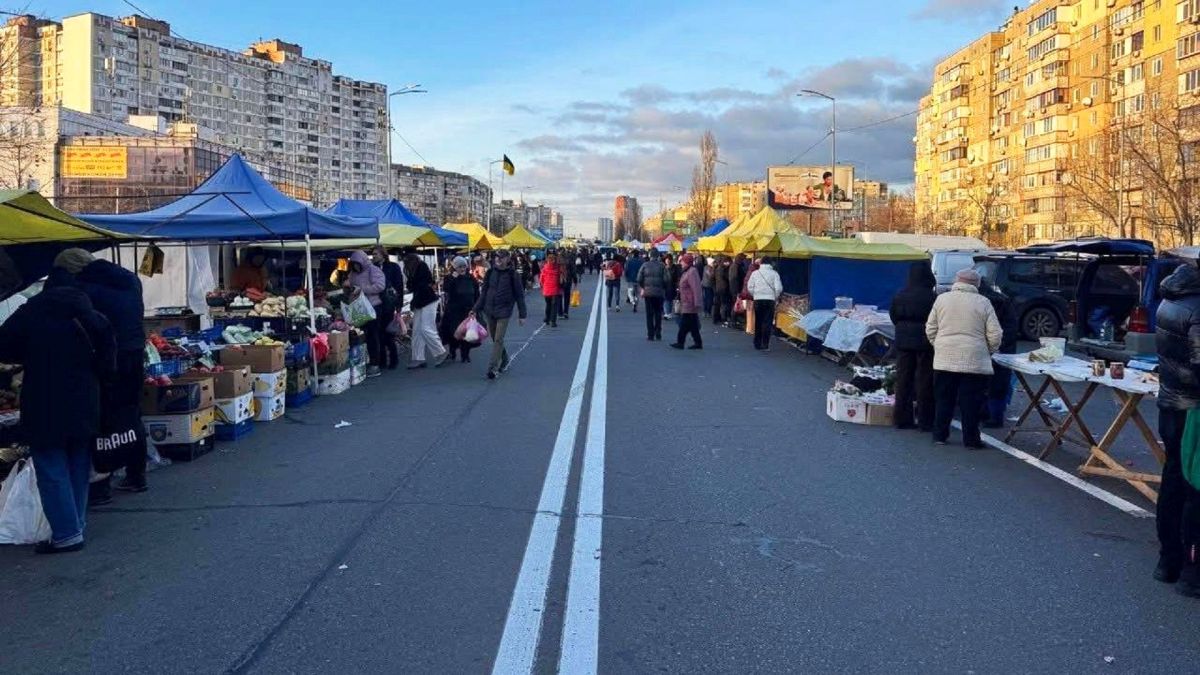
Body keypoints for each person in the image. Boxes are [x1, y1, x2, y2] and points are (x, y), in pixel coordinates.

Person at [0, 265, 115, 553]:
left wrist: (30, 356)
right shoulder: (92, 315)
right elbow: (110, 359)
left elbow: (3, 346)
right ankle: (75, 524)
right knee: (77, 463)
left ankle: (66, 533)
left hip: (44, 398)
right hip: (85, 398)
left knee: (51, 465)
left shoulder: (31, 313)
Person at [61, 250, 147, 502]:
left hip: (109, 359)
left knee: (104, 420)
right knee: (131, 415)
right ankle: (136, 474)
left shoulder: (87, 289)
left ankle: (101, 483)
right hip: (134, 354)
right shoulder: (130, 281)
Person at [1153, 262, 1200, 596]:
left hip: (1170, 402)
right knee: (1193, 487)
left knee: (1173, 479)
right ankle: (1189, 569)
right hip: (1193, 408)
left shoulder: (1171, 297)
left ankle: (1167, 560)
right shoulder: (1197, 306)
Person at [925, 268, 1002, 448]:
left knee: (944, 399)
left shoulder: (941, 300)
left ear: (956, 281)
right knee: (971, 402)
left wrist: (939, 345)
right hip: (974, 359)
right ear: (976, 284)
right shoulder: (984, 302)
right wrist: (988, 350)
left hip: (945, 358)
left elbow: (930, 328)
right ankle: (971, 440)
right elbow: (995, 333)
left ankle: (939, 435)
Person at [889, 262, 938, 432]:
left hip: (903, 341)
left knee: (903, 380)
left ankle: (901, 418)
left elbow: (893, 316)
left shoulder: (901, 294)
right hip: (926, 341)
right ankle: (925, 421)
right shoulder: (932, 297)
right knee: (925, 380)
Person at [473, 250, 528, 380]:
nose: (498, 259)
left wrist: (522, 314)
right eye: (497, 257)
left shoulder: (512, 275)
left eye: (501, 257)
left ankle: (493, 368)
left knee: (498, 339)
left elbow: (519, 295)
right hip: (489, 310)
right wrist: (475, 308)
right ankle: (504, 359)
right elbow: (484, 293)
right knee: (495, 339)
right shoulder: (490, 273)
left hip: (504, 311)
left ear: (507, 259)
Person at [979, 278, 1019, 428]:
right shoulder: (1003, 301)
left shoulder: (979, 303)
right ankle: (996, 416)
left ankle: (984, 412)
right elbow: (1011, 327)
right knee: (999, 383)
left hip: (983, 348)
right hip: (1004, 349)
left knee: (981, 382)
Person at [345, 250, 387, 377]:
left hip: (373, 307)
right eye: (353, 265)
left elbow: (380, 286)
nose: (356, 267)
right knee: (363, 336)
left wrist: (361, 289)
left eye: (357, 264)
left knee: (373, 336)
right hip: (360, 309)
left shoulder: (373, 270)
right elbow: (352, 289)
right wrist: (347, 289)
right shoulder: (352, 273)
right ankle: (367, 362)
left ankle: (376, 364)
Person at [404, 252, 448, 369]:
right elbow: (420, 285)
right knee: (418, 330)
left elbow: (417, 286)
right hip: (423, 301)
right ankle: (418, 358)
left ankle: (440, 352)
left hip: (427, 301)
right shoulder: (419, 267)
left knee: (425, 329)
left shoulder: (418, 269)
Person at [440, 256, 480, 363]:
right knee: (454, 333)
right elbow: (447, 289)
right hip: (454, 310)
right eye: (459, 267)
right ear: (455, 268)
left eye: (464, 266)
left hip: (468, 310)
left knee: (467, 333)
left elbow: (477, 292)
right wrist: (453, 278)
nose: (462, 269)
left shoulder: (471, 278)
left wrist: (477, 307)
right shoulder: (450, 278)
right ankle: (452, 351)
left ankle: (465, 355)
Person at [373, 246, 404, 371]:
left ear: (382, 254)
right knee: (379, 333)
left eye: (375, 254)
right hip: (376, 304)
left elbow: (399, 286)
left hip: (388, 304)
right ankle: (382, 360)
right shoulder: (372, 268)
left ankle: (393, 359)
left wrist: (399, 305)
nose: (373, 256)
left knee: (387, 333)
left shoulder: (393, 267)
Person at [746, 257, 784, 351]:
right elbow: (778, 288)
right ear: (771, 263)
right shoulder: (774, 273)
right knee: (767, 322)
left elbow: (750, 286)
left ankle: (757, 343)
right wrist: (774, 296)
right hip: (770, 300)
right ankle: (765, 344)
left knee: (758, 321)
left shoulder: (755, 273)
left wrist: (755, 294)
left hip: (758, 299)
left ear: (761, 263)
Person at [670, 254, 703, 350]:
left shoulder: (692, 272)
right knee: (692, 325)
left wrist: (697, 303)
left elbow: (696, 288)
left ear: (687, 262)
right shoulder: (687, 271)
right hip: (687, 302)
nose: (681, 263)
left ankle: (680, 342)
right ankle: (697, 342)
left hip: (690, 302)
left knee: (684, 324)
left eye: (682, 261)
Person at [637, 250, 669, 341]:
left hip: (648, 293)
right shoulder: (662, 266)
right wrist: (663, 287)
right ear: (658, 256)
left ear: (650, 255)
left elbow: (639, 278)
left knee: (649, 314)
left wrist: (644, 287)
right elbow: (667, 279)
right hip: (659, 293)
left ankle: (650, 335)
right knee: (658, 313)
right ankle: (658, 332)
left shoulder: (645, 265)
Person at [540, 252, 562, 328]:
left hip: (546, 289)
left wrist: (543, 286)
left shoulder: (544, 268)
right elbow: (560, 279)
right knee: (554, 306)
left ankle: (547, 318)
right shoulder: (557, 268)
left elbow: (541, 280)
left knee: (548, 304)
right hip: (555, 289)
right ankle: (553, 321)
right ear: (554, 260)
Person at [559, 251, 578, 321]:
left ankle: (560, 312)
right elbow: (573, 271)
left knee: (559, 296)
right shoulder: (569, 261)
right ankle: (566, 312)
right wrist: (575, 281)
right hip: (567, 280)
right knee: (567, 297)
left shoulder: (558, 261)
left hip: (559, 281)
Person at [713, 256, 731, 325]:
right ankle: (723, 318)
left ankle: (716, 318)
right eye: (727, 262)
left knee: (717, 304)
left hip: (718, 288)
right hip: (723, 288)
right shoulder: (723, 269)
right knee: (723, 304)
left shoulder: (717, 268)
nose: (728, 263)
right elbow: (726, 278)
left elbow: (713, 278)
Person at [663, 255, 678, 320]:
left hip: (672, 286)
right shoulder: (663, 267)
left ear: (671, 260)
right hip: (664, 286)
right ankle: (667, 313)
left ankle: (668, 313)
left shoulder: (674, 268)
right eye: (666, 259)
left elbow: (676, 277)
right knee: (666, 300)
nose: (667, 260)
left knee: (669, 300)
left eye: (669, 259)